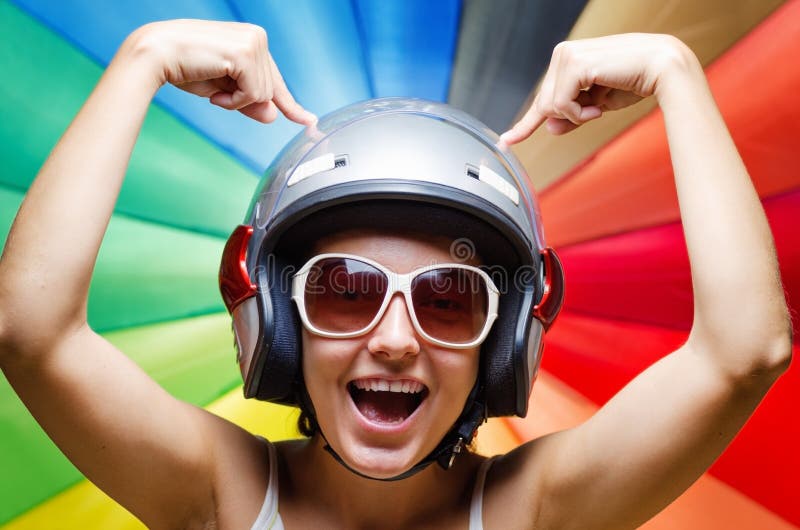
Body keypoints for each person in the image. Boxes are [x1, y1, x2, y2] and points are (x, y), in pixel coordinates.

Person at [0, 19, 792, 530]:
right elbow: (30, 331)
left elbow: (745, 350)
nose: (395, 341)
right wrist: (144, 60)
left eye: (450, 300)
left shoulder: (532, 509)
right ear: (274, 317)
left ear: (507, 340)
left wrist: (673, 71)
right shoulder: (221, 493)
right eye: (345, 289)